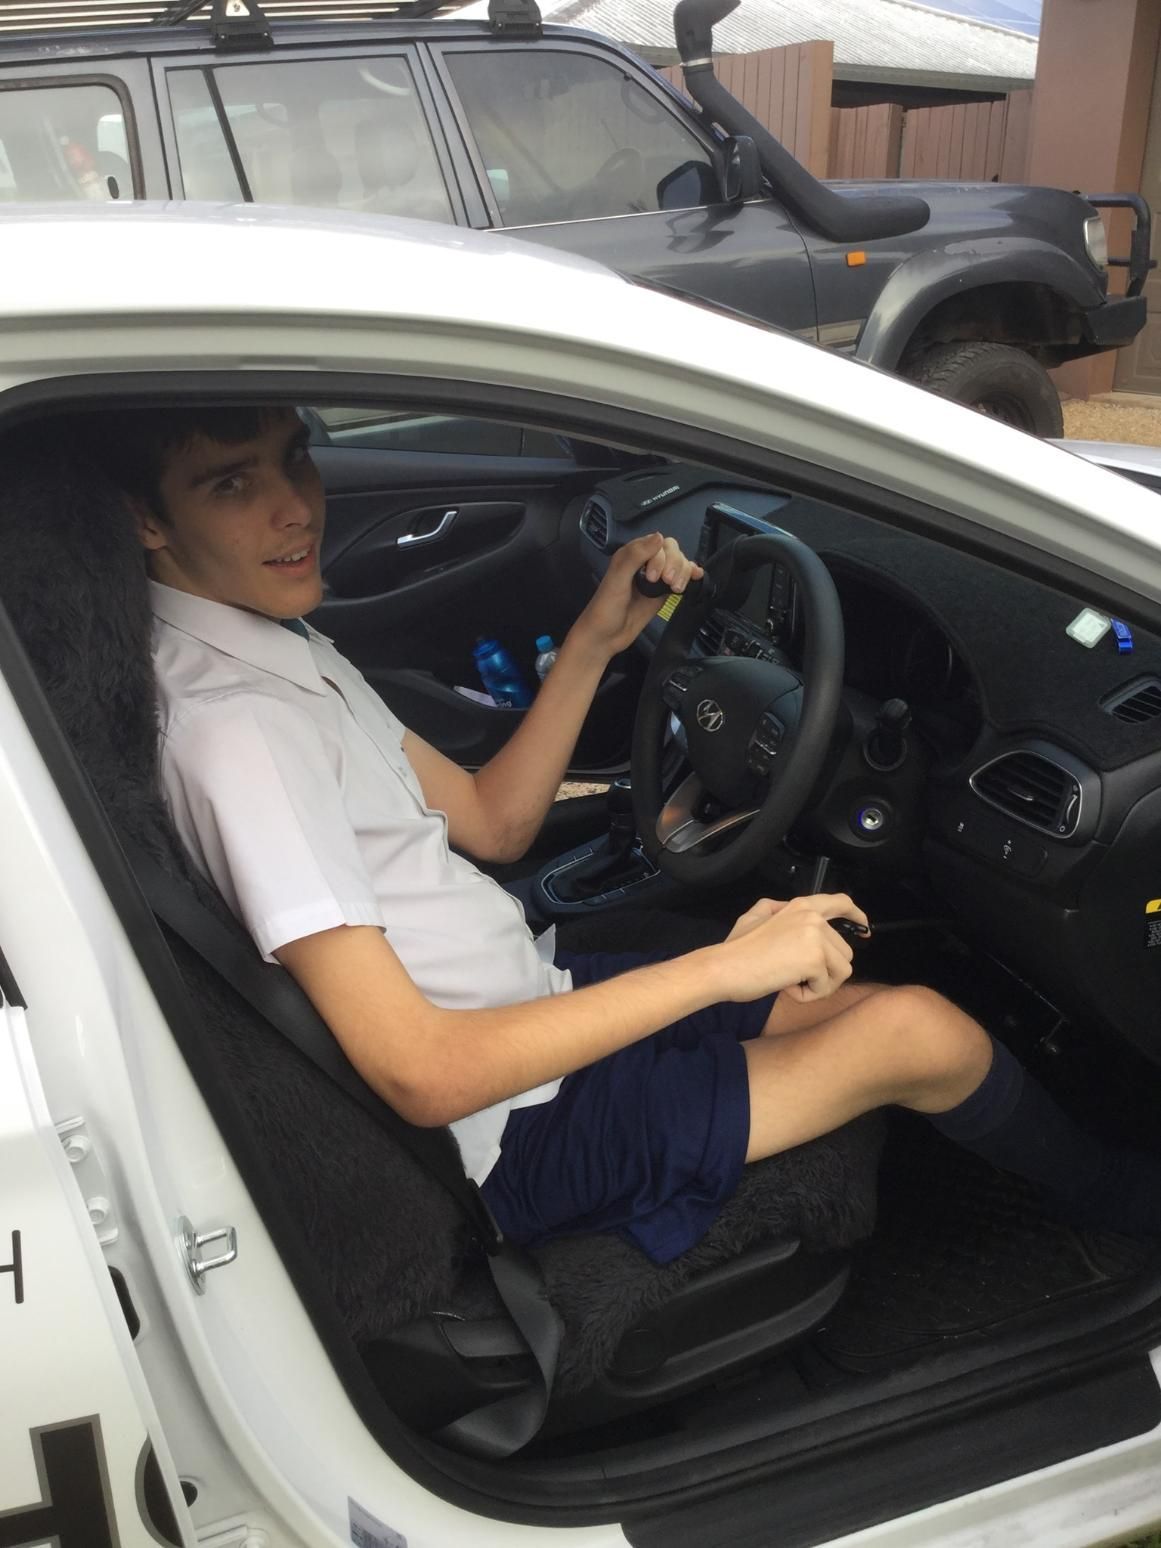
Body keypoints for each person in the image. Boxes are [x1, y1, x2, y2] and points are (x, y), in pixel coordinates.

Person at [86, 404, 1161, 1260]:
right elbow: (423, 1073)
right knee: (923, 1032)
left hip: (527, 1003)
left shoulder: (271, 646)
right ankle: (1127, 1212)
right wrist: (722, 969)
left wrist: (597, 641)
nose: (294, 508)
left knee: (847, 997)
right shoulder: (242, 734)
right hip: (504, 1142)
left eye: (294, 457)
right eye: (232, 484)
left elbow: (495, 823)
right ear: (146, 520)